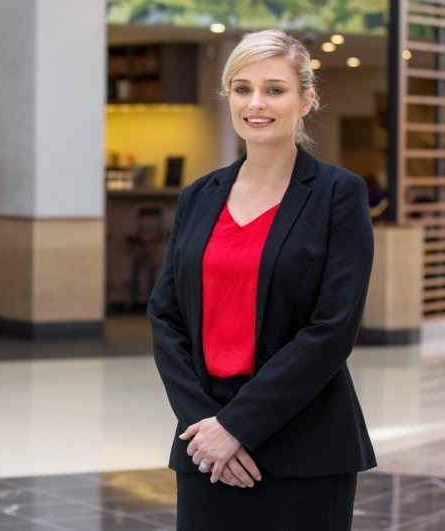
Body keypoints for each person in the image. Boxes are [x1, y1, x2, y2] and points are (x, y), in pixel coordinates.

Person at [148, 29, 376, 530]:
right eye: (242, 87)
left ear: (306, 100)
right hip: (205, 442)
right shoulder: (199, 196)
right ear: (228, 96)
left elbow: (332, 328)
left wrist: (238, 425)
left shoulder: (339, 194)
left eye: (275, 89)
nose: (257, 103)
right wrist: (205, 426)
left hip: (305, 445)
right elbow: (165, 316)